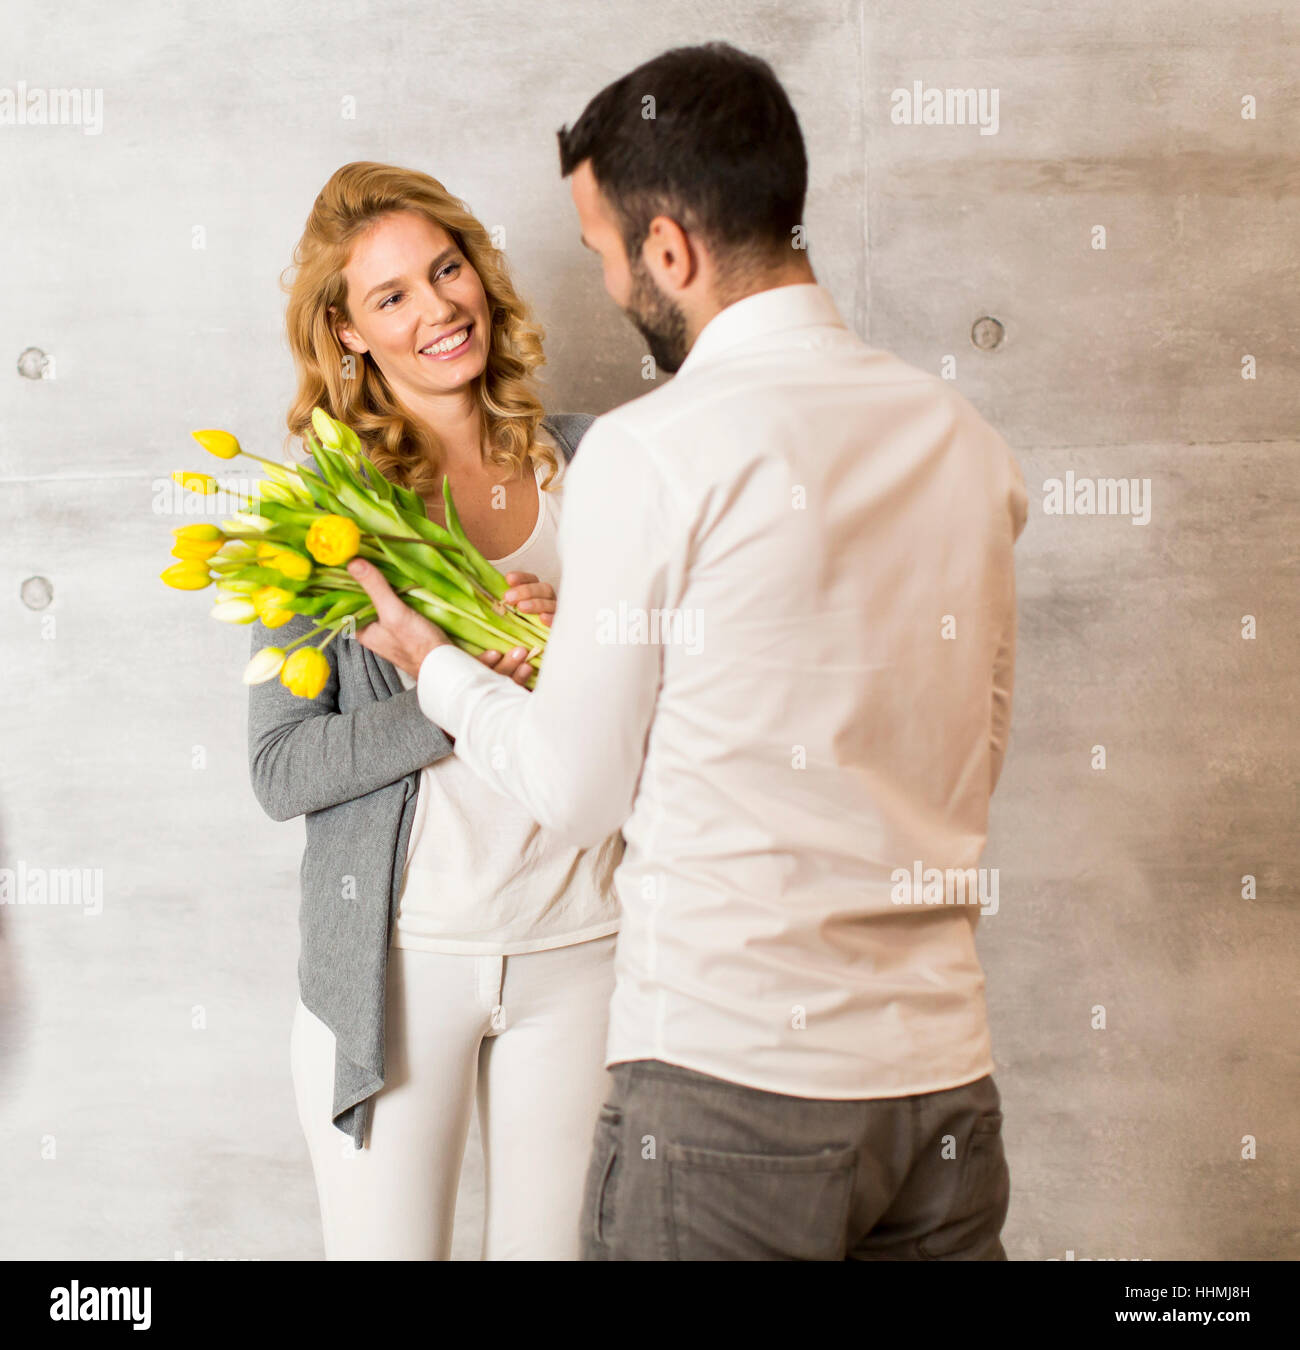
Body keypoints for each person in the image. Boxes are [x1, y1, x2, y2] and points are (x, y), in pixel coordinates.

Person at [348, 43, 1028, 1261]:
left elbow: (574, 790)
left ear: (670, 252)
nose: (607, 284)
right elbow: (968, 741)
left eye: (606, 254)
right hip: (943, 1092)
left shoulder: (651, 451)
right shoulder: (961, 439)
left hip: (732, 1090)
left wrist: (430, 663)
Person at [247, 161, 624, 1260]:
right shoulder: (316, 518)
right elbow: (281, 771)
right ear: (348, 332)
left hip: (586, 947)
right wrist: (456, 688)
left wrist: (583, 642)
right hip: (397, 969)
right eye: (391, 297)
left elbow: (675, 702)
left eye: (446, 269)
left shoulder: (596, 459)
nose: (436, 310)